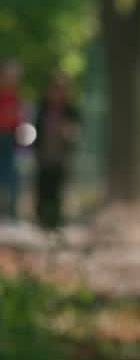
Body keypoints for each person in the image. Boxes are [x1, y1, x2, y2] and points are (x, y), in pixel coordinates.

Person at [34, 73, 80, 231]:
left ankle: (55, 221)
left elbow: (76, 132)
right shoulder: (42, 108)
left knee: (57, 189)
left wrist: (70, 133)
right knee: (42, 187)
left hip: (61, 156)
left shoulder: (71, 111)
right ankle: (40, 220)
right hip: (44, 154)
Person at [0, 60, 24, 220]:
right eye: (9, 76)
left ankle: (11, 213)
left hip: (10, 139)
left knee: (12, 176)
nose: (13, 80)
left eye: (16, 77)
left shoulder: (15, 98)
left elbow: (17, 121)